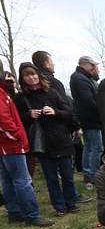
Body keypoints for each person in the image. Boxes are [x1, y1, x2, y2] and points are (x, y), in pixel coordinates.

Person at [15, 62, 83, 217]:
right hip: (42, 143)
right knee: (51, 178)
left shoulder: (51, 92)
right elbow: (18, 120)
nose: (31, 78)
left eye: (33, 74)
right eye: (27, 75)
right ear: (23, 78)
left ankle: (71, 202)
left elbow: (68, 112)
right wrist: (29, 116)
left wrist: (55, 112)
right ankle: (59, 206)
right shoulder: (21, 98)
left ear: (38, 75)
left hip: (61, 138)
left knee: (67, 176)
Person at [0, 58, 53, 227]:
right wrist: (18, 136)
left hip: (6, 145)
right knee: (22, 180)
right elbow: (4, 121)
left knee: (8, 179)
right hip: (10, 144)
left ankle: (14, 211)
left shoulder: (4, 92)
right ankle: (31, 214)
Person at [69, 56, 103, 187]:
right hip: (90, 118)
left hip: (89, 118)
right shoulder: (79, 78)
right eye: (92, 65)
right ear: (84, 64)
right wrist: (100, 109)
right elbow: (88, 100)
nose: (94, 68)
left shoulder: (83, 78)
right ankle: (92, 175)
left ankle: (89, 173)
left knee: (89, 147)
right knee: (96, 147)